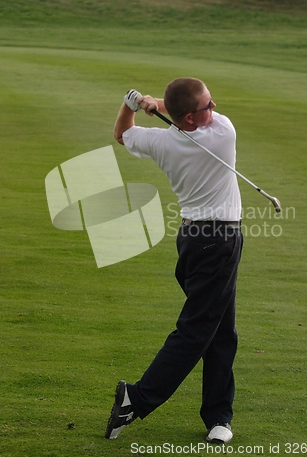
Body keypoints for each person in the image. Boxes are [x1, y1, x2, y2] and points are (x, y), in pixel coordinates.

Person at [105, 77, 243, 445]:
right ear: (192, 117)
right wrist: (158, 104)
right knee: (198, 329)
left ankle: (218, 416)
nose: (214, 108)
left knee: (220, 329)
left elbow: (122, 134)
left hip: (191, 240)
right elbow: (183, 112)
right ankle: (138, 397)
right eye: (207, 106)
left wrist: (134, 104)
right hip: (221, 241)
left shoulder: (161, 141)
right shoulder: (222, 133)